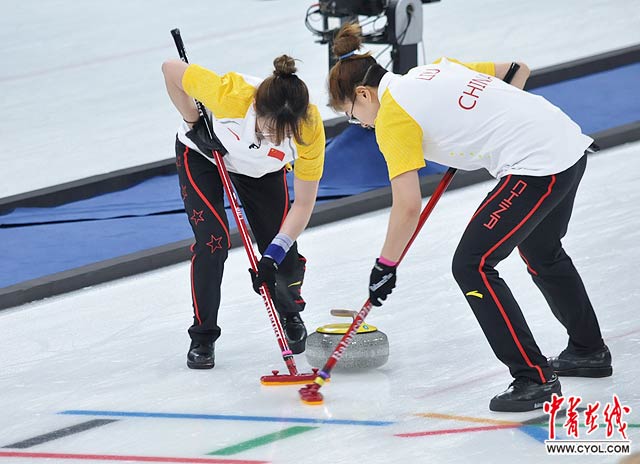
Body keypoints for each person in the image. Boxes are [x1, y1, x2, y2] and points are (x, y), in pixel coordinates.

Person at [327, 24, 611, 412]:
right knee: (543, 250)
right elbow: (515, 70)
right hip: (566, 141)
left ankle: (533, 378)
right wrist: (481, 124)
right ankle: (588, 350)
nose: (359, 123)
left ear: (363, 93)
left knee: (472, 265)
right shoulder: (434, 70)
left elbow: (408, 204)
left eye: (352, 114)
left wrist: (385, 265)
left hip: (537, 166)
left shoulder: (392, 116)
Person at [162, 54, 325, 369]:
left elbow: (303, 204)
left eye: (284, 134)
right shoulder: (230, 95)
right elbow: (170, 69)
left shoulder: (310, 127)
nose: (276, 138)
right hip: (204, 155)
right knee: (213, 243)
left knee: (283, 249)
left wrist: (271, 256)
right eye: (268, 131)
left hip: (262, 172)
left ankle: (290, 312)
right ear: (256, 110)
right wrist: (193, 122)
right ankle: (203, 336)